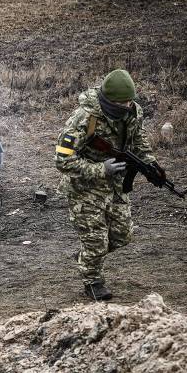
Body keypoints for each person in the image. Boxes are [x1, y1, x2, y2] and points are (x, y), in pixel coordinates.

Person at [54, 69, 162, 301]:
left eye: (130, 101)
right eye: (123, 103)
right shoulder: (84, 118)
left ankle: (88, 256)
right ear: (109, 100)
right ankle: (93, 281)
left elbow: (138, 139)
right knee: (97, 239)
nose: (128, 106)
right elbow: (62, 159)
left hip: (114, 184)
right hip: (83, 186)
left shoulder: (133, 112)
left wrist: (150, 163)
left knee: (123, 235)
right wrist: (100, 170)